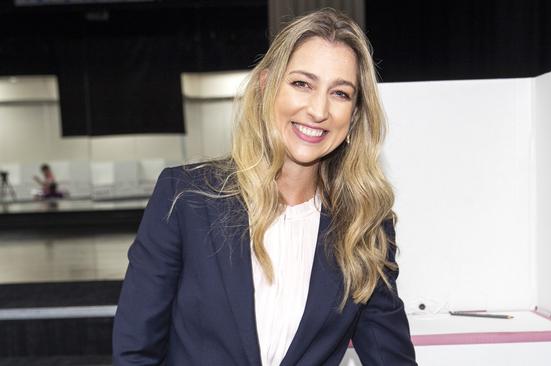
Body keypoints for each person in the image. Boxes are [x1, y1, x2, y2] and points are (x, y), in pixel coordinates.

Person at [113, 8, 417, 366]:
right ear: (265, 87)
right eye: (302, 83)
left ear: (354, 116)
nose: (318, 110)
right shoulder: (185, 197)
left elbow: (390, 355)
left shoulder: (365, 224)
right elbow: (135, 352)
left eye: (340, 93)